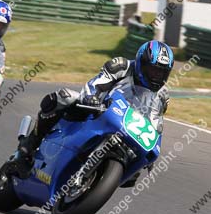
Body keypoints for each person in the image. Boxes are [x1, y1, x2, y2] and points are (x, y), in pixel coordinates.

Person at [11, 40, 173, 176]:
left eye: (161, 73)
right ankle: (29, 145)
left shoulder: (162, 95)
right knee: (64, 97)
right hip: (97, 111)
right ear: (140, 62)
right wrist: (92, 97)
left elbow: (156, 123)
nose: (156, 76)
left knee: (134, 173)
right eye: (152, 70)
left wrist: (151, 150)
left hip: (126, 130)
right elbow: (98, 83)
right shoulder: (121, 66)